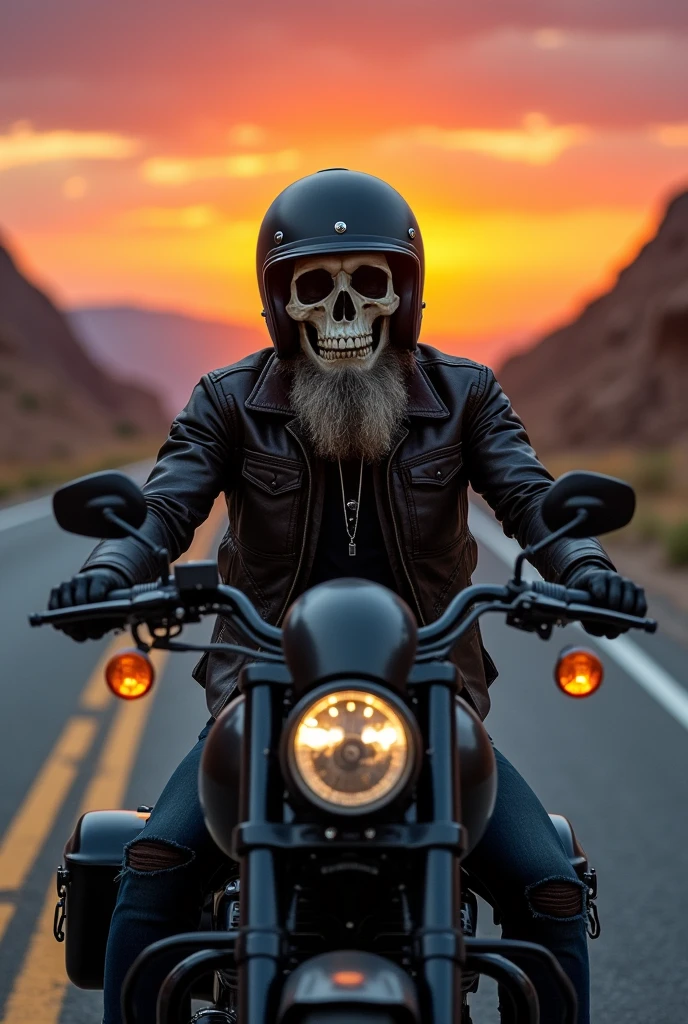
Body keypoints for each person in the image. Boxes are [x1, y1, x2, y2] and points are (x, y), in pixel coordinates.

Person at [50, 169, 646, 1023]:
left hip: (433, 688)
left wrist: (584, 566)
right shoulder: (229, 402)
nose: (341, 312)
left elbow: (533, 498)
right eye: (313, 288)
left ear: (402, 297)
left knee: (549, 889)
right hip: (261, 686)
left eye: (367, 284)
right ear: (277, 302)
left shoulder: (465, 395)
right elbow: (163, 505)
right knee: (152, 869)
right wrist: (112, 569)